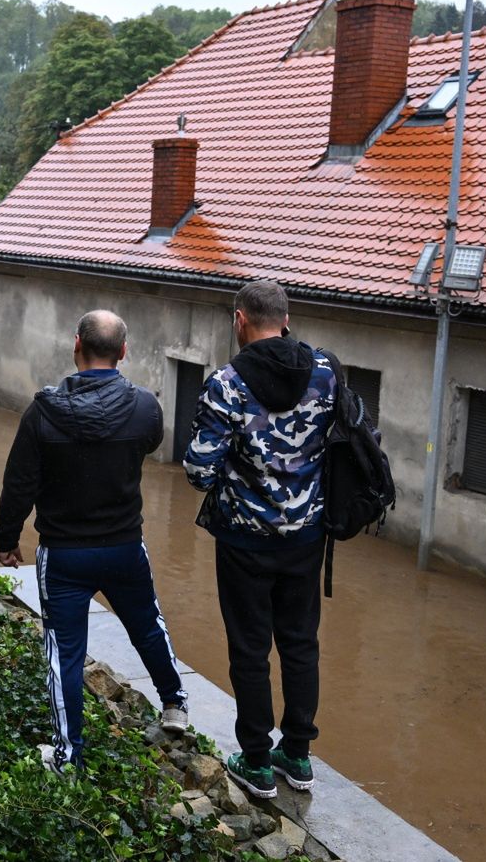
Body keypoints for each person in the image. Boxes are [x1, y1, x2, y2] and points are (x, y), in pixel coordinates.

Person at [0, 310, 188, 772]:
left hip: (63, 554)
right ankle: (175, 703)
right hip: (124, 546)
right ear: (123, 352)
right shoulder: (146, 407)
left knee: (64, 654)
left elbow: (20, 482)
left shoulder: (43, 411)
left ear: (75, 344)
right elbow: (147, 446)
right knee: (147, 623)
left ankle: (68, 759)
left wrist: (6, 537)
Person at [183, 279, 337, 799]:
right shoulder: (325, 372)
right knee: (300, 643)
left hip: (245, 539)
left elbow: (199, 471)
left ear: (240, 321)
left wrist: (238, 477)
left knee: (249, 647)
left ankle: (254, 760)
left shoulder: (226, 383)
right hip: (306, 536)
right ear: (286, 320)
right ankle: (297, 755)